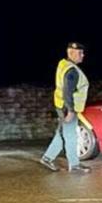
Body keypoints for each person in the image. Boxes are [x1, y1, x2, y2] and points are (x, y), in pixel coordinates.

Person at [40, 42, 91, 173]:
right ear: (71, 53)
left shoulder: (63, 64)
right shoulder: (72, 71)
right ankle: (74, 165)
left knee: (62, 134)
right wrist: (71, 111)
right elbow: (67, 92)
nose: (83, 55)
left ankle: (47, 158)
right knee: (70, 136)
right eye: (80, 53)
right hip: (67, 108)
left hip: (61, 105)